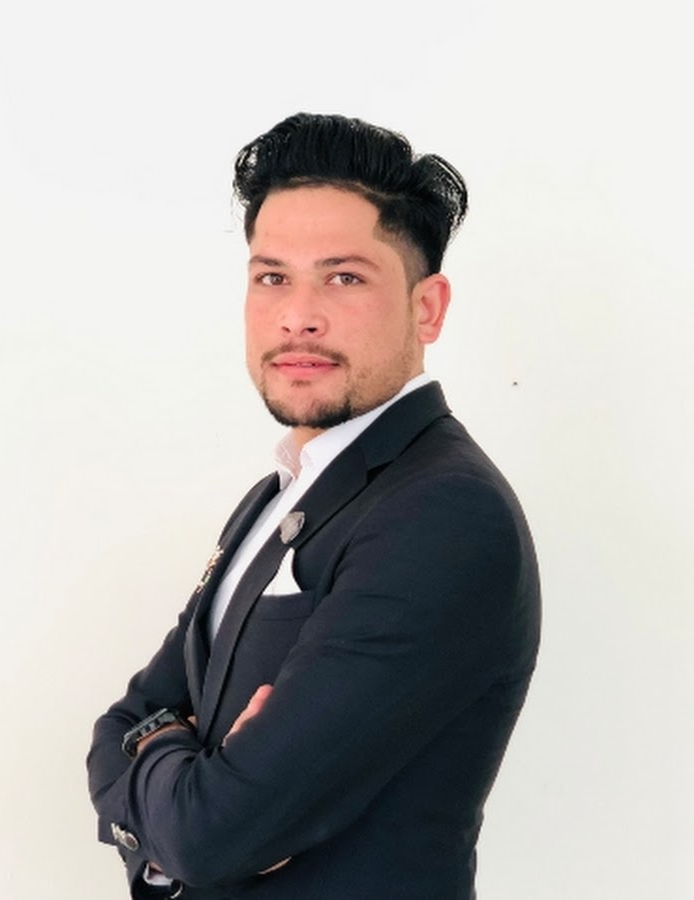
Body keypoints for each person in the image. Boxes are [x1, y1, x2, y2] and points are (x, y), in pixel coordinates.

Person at [87, 112, 541, 900]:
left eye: (344, 277)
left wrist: (164, 770)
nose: (298, 314)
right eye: (272, 277)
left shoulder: (444, 514)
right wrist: (179, 772)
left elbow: (213, 831)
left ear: (427, 309)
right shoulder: (278, 494)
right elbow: (117, 728)